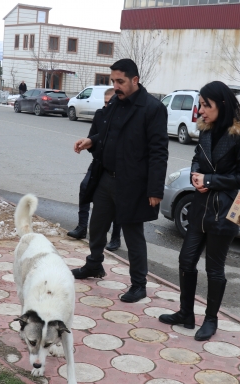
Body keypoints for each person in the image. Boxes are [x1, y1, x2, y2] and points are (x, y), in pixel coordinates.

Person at [158, 81, 240, 341]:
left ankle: (211, 320)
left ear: (222, 105)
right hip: (200, 208)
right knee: (186, 260)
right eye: (200, 104)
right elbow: (197, 158)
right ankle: (185, 314)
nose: (200, 110)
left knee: (215, 269)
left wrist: (211, 181)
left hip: (223, 212)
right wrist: (194, 175)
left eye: (205, 105)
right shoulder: (206, 131)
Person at [71, 59, 168, 303]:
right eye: (113, 81)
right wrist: (91, 141)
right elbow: (106, 133)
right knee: (97, 226)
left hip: (133, 184)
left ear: (135, 80)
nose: (116, 86)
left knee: (133, 235)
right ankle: (94, 265)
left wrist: (155, 189)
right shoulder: (115, 101)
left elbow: (159, 152)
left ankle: (139, 284)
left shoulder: (152, 108)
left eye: (120, 81)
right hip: (106, 177)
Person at [67, 88, 122, 251]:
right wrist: (92, 146)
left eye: (110, 102)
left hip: (115, 167)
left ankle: (115, 238)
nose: (107, 105)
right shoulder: (100, 115)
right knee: (85, 189)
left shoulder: (121, 118)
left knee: (115, 202)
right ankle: (82, 227)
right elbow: (92, 140)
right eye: (105, 102)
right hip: (98, 162)